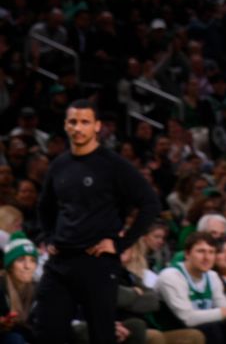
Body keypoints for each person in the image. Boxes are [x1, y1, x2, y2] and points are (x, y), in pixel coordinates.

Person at [32, 99, 161, 344]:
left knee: (102, 335)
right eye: (73, 122)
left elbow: (150, 203)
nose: (78, 128)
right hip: (60, 262)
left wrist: (121, 244)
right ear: (65, 126)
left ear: (97, 126)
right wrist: (48, 237)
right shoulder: (59, 165)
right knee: (46, 330)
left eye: (85, 122)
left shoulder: (113, 165)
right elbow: (44, 206)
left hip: (98, 263)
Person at [155, 232, 226, 344]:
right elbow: (188, 319)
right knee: (212, 330)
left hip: (202, 327)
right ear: (187, 254)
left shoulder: (212, 276)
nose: (206, 257)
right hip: (172, 331)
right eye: (201, 251)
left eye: (211, 252)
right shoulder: (171, 276)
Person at [0, 232, 39, 344]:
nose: (27, 266)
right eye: (21, 260)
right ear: (10, 266)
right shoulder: (1, 285)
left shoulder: (39, 288)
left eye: (32, 260)